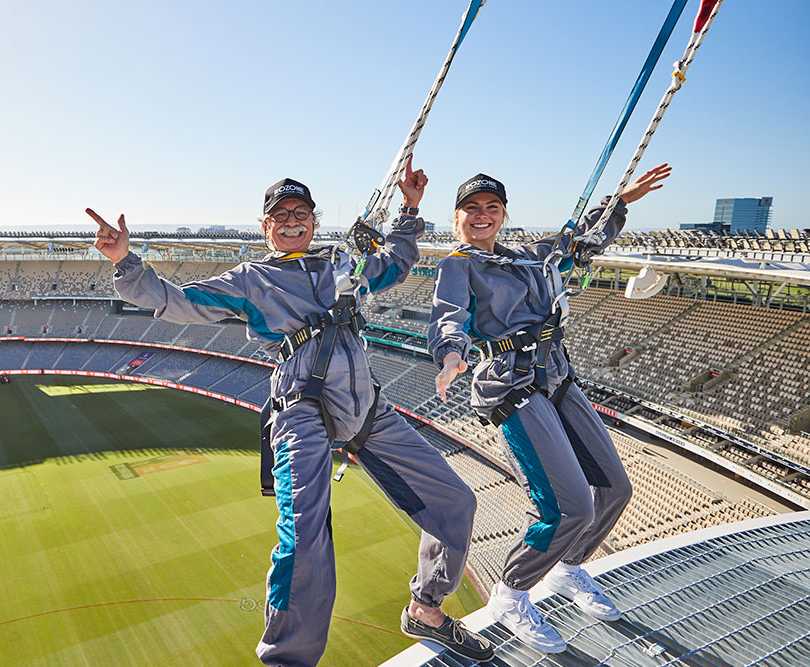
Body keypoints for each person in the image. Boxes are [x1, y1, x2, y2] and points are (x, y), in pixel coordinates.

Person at [87, 157, 495, 665]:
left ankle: (425, 609)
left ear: (314, 220)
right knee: (303, 533)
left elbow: (396, 260)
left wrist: (410, 208)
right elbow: (177, 300)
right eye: (279, 215)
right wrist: (126, 262)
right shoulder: (250, 278)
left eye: (300, 212)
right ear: (265, 227)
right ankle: (287, 659)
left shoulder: (341, 266)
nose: (291, 221)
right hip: (302, 405)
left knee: (454, 500)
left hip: (366, 402)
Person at [429, 164, 671, 653]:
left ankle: (568, 568)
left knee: (614, 489)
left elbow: (581, 240)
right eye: (471, 210)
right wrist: (451, 353)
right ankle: (511, 593)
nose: (482, 216)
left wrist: (621, 200)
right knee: (568, 506)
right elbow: (448, 315)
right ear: (456, 218)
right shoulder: (459, 265)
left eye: (491, 208)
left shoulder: (530, 255)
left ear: (503, 215)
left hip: (556, 375)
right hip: (511, 385)